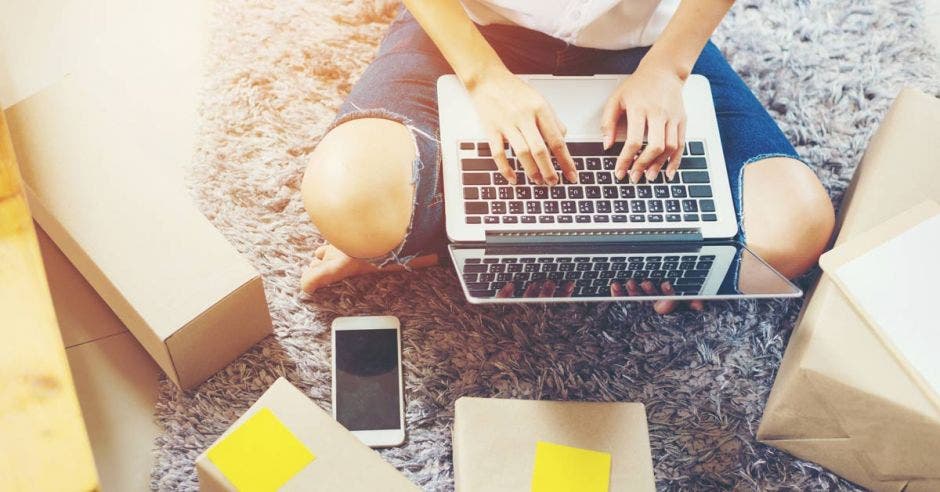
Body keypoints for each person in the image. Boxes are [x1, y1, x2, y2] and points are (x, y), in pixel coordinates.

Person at [300, 0, 835, 314]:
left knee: (793, 231)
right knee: (349, 196)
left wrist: (669, 69)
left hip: (647, 42)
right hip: (471, 29)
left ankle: (445, 242)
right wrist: (483, 78)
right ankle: (451, 242)